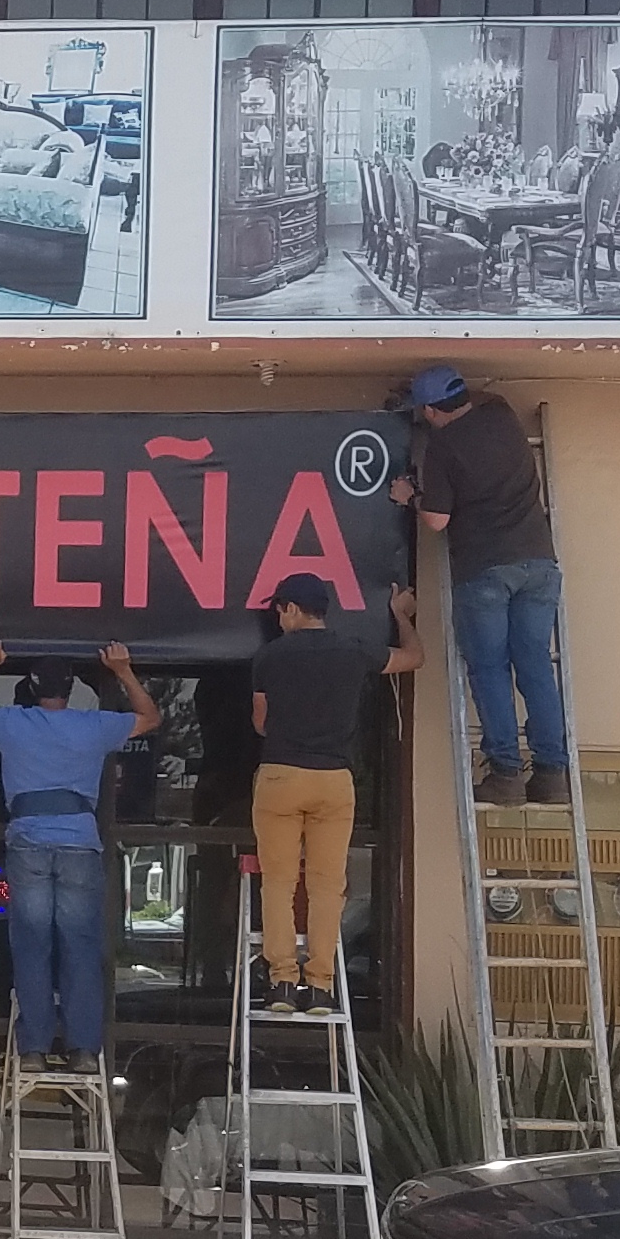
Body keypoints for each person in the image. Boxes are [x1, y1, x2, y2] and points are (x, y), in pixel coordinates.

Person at [0, 639, 159, 1074]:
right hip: (80, 842)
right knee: (80, 946)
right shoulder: (93, 726)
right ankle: (83, 1049)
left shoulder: (11, 723)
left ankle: (33, 1050)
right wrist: (123, 671)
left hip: (28, 840)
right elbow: (150, 717)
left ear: (31, 686)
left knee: (32, 946)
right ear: (70, 690)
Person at [389, 362, 568, 810]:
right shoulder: (501, 415)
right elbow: (484, 399)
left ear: (430, 411)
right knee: (535, 668)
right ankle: (553, 774)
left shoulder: (443, 446)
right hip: (539, 563)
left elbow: (437, 520)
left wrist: (409, 496)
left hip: (486, 568)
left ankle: (506, 774)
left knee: (490, 670)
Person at [247, 577, 420, 1011]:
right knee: (328, 887)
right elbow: (415, 658)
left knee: (279, 883)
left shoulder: (269, 656)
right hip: (333, 779)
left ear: (289, 609)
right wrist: (401, 615)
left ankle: (282, 982)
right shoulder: (354, 649)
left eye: (279, 610)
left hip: (281, 775)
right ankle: (321, 985)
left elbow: (260, 723)